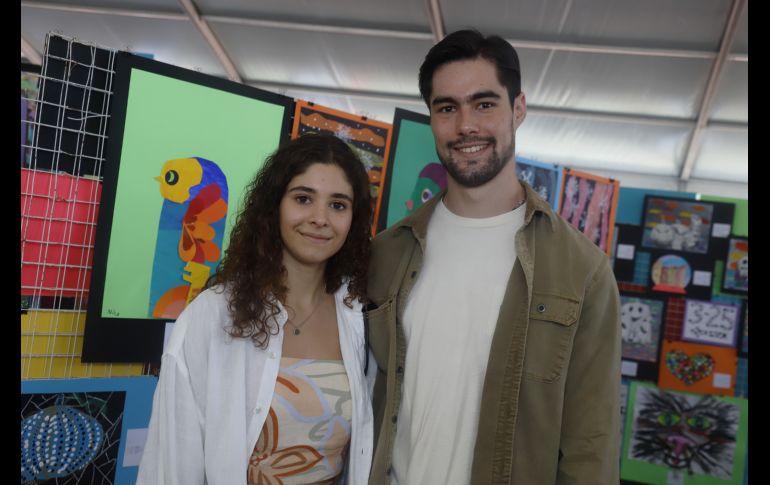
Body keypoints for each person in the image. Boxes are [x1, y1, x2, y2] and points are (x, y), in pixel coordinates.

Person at [366, 30, 621, 485]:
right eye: (447, 108)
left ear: (518, 109)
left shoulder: (584, 272)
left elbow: (591, 448)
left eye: (484, 104)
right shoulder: (386, 253)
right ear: (432, 119)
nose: (466, 125)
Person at [137, 132, 374, 485]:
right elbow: (173, 460)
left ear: (353, 219)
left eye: (338, 205)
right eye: (304, 198)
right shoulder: (213, 314)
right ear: (273, 206)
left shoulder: (359, 317)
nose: (320, 218)